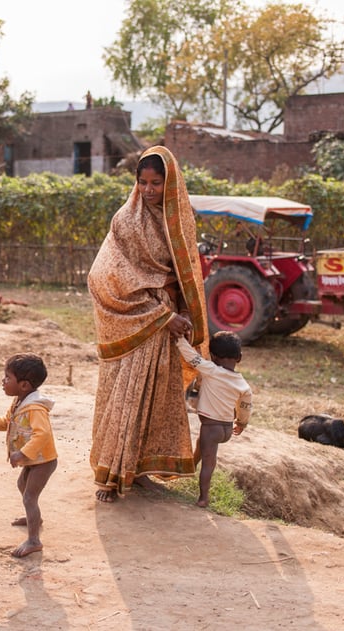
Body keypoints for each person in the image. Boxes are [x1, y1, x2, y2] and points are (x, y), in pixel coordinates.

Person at [86, 145, 208, 502]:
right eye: (143, 182)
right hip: (137, 323)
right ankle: (110, 476)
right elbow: (104, 276)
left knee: (156, 400)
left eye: (156, 183)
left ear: (171, 184)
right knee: (125, 399)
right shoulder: (125, 221)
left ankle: (137, 470)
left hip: (166, 326)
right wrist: (161, 315)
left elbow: (185, 276)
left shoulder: (180, 222)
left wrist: (179, 315)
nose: (149, 190)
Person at [0, 354, 57, 558]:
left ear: (24, 385)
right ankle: (33, 517)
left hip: (43, 461)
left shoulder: (34, 408)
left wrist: (23, 453)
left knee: (29, 496)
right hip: (34, 460)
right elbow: (6, 422)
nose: (3, 381)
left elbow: (42, 434)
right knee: (23, 487)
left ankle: (34, 540)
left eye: (7, 377)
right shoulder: (19, 402)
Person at [177, 331, 251, 507]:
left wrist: (179, 339)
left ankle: (203, 498)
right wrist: (241, 423)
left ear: (213, 356)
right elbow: (245, 407)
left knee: (209, 464)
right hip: (225, 429)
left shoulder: (211, 370)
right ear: (239, 358)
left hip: (211, 427)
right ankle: (190, 467)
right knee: (201, 446)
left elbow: (191, 357)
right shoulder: (243, 384)